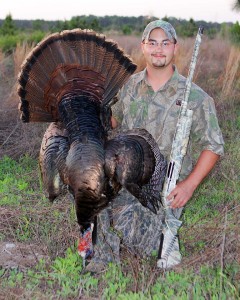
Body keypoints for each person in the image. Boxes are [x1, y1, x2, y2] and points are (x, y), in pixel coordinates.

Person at [85, 20, 224, 272]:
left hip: (165, 187)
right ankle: (101, 260)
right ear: (143, 46)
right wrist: (85, 107)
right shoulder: (128, 88)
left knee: (134, 230)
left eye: (165, 43)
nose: (158, 49)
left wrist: (188, 186)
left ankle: (159, 239)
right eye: (152, 43)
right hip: (128, 175)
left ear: (174, 48)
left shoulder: (196, 97)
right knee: (93, 195)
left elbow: (213, 146)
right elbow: (111, 120)